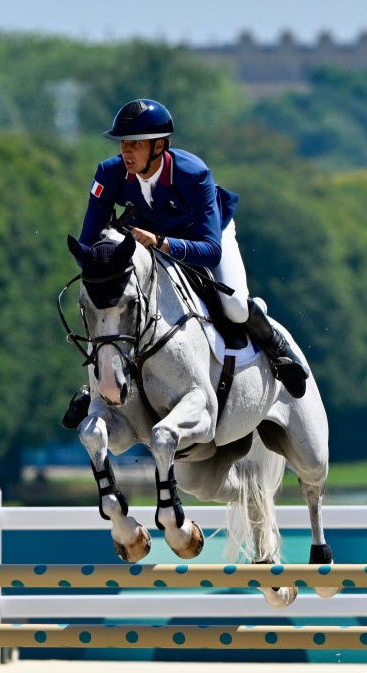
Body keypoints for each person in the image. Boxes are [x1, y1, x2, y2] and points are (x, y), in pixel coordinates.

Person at [62, 98, 308, 429]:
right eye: (123, 143)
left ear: (159, 146)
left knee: (234, 306)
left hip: (204, 238)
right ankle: (96, 386)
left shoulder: (194, 174)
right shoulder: (109, 173)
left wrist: (162, 242)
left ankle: (277, 349)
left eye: (136, 144)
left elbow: (210, 250)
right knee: (112, 308)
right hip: (147, 244)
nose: (126, 152)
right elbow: (89, 239)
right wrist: (103, 268)